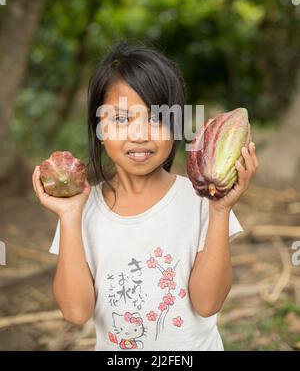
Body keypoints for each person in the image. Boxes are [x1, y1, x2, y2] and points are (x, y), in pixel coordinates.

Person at [32, 40, 259, 351]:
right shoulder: (82, 209)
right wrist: (70, 217)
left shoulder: (202, 201)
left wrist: (220, 211)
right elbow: (75, 312)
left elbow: (208, 304)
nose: (140, 135)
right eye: (122, 119)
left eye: (157, 118)